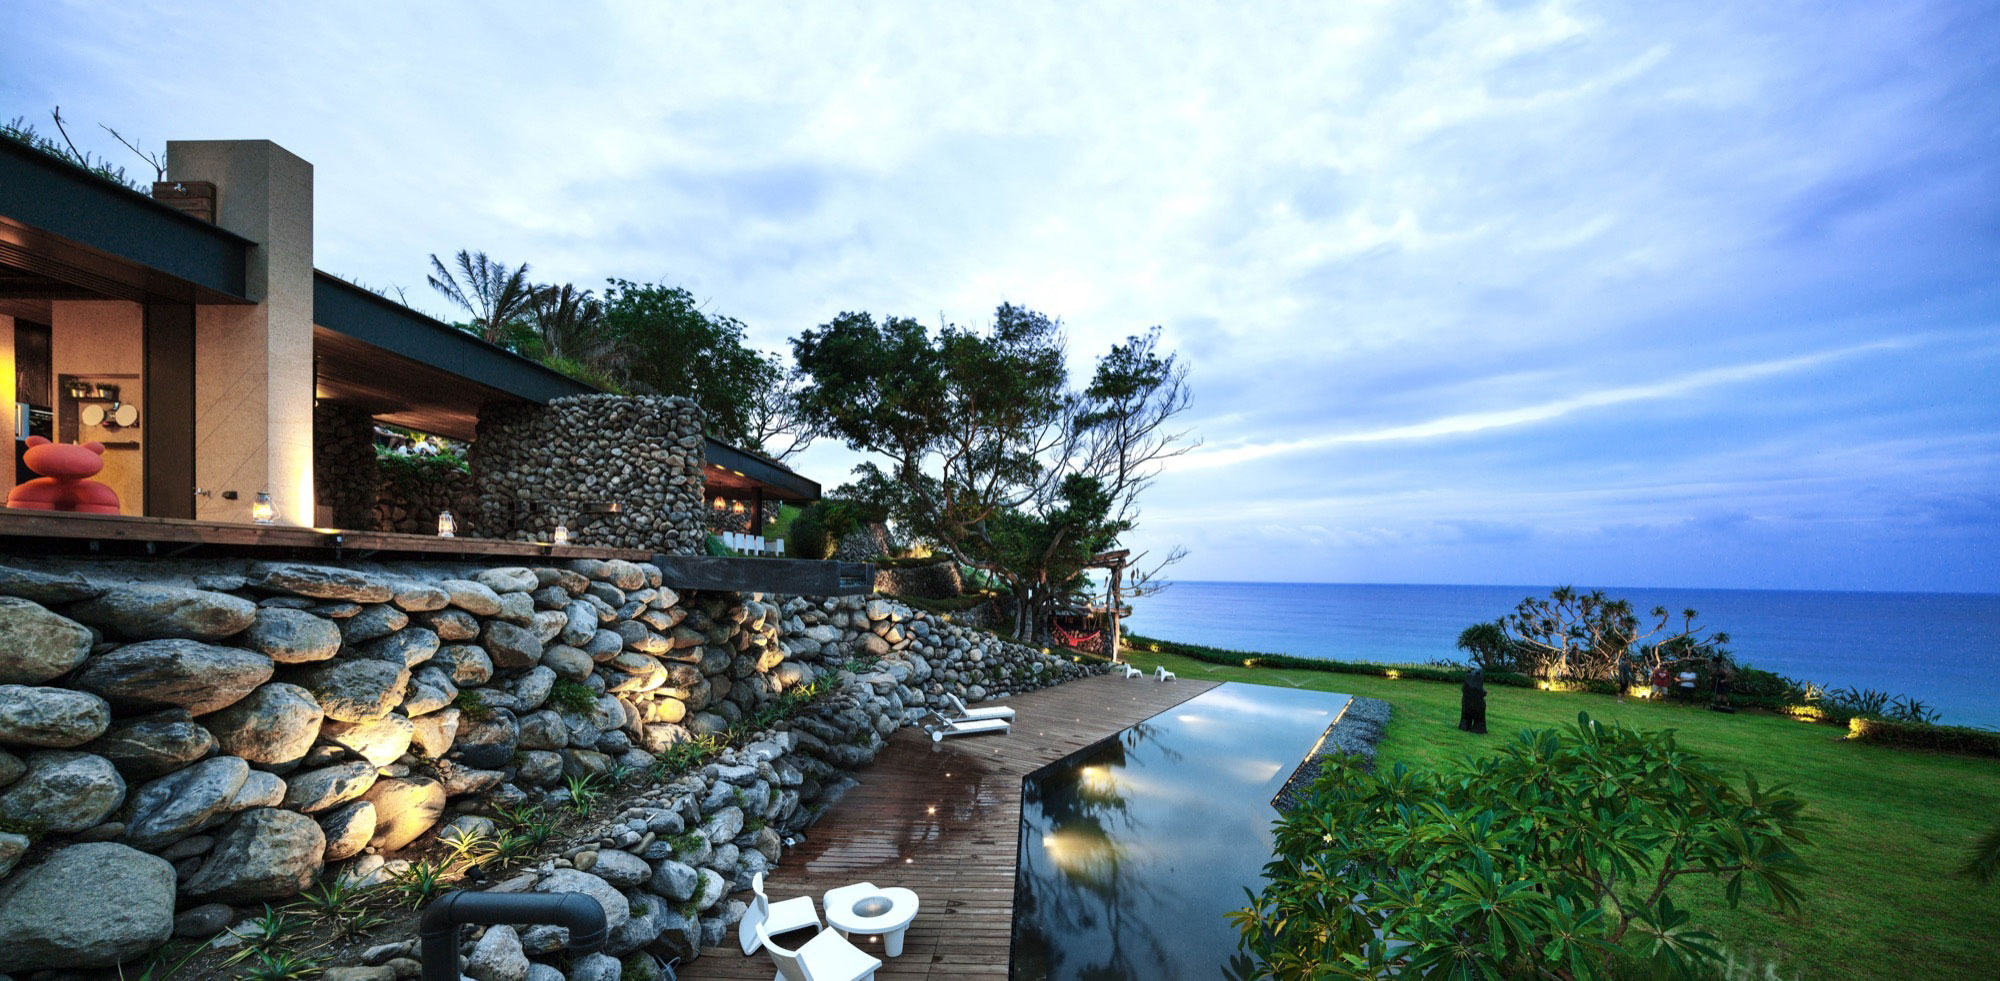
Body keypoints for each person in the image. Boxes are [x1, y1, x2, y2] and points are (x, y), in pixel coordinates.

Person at [1458, 665, 1488, 734]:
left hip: (1466, 703)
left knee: (1465, 716)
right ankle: (1478, 727)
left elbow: (1464, 689)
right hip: (1477, 704)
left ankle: (1464, 725)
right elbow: (1481, 692)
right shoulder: (1478, 680)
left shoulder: (1467, 683)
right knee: (1479, 718)